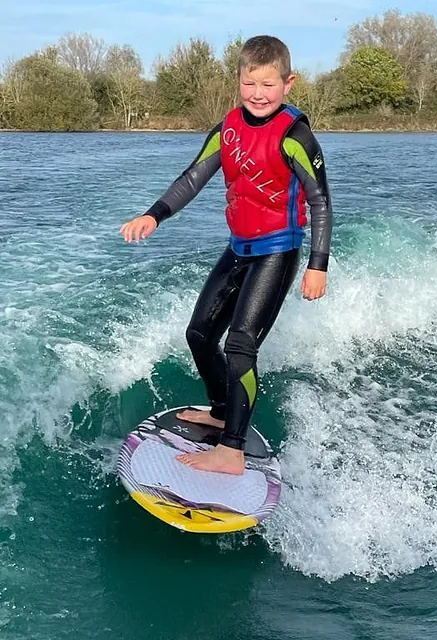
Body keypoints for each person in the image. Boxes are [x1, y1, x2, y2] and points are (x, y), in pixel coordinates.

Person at [120, 35, 333, 475]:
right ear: (238, 81)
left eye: (269, 85)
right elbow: (192, 178)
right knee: (199, 334)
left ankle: (231, 450)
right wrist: (154, 215)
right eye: (249, 84)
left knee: (240, 346)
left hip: (278, 250)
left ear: (288, 83)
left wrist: (317, 265)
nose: (258, 94)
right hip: (239, 249)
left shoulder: (295, 136)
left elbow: (321, 202)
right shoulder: (228, 129)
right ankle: (221, 411)